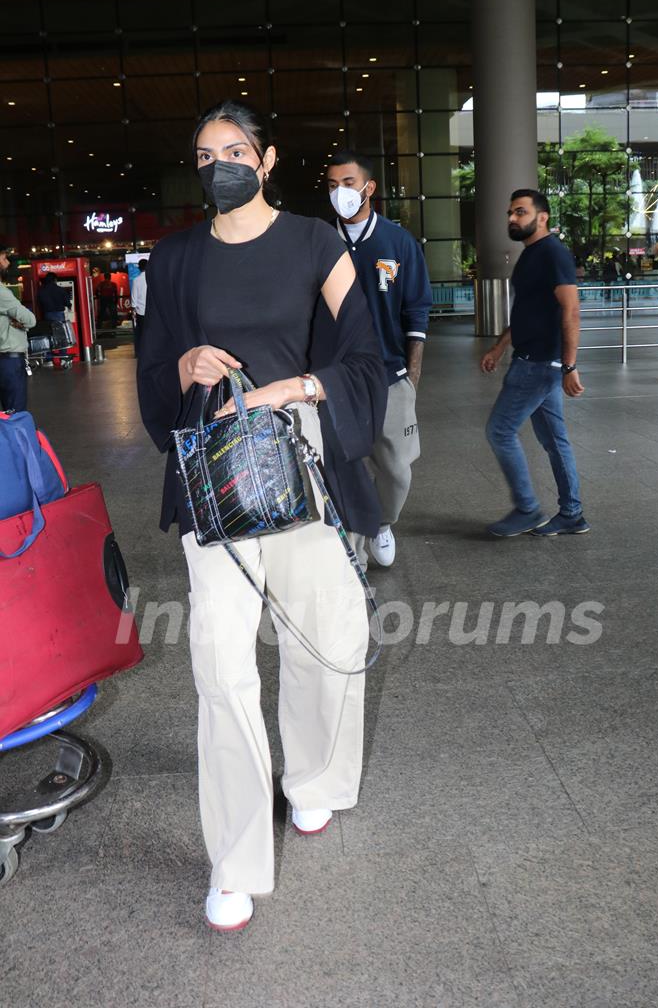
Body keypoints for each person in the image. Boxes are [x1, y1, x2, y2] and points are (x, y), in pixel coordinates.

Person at [137, 102, 386, 933]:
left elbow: (364, 354)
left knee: (327, 639)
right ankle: (236, 857)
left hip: (303, 469)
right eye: (205, 156)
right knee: (221, 667)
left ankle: (311, 777)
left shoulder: (318, 242)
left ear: (268, 157)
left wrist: (304, 386)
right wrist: (182, 363)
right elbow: (150, 373)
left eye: (234, 151)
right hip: (218, 483)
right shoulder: (173, 261)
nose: (220, 167)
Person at [326, 151, 432, 568]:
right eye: (333, 185)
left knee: (397, 470)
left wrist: (413, 378)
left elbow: (416, 312)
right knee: (345, 465)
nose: (340, 193)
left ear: (369, 188)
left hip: (391, 375)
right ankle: (356, 539)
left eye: (348, 183)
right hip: (338, 378)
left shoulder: (399, 242)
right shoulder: (320, 241)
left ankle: (383, 521)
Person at [481, 189, 589, 538]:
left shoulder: (553, 253)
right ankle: (572, 514)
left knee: (499, 430)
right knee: (555, 441)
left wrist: (569, 365)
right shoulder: (530, 255)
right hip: (534, 360)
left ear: (542, 217)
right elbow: (528, 312)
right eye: (511, 212)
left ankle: (527, 509)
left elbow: (571, 309)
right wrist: (499, 348)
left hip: (539, 364)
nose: (512, 218)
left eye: (521, 212)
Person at [0, 245, 36, 411]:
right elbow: (30, 320)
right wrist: (17, 319)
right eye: (4, 258)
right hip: (8, 360)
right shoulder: (2, 293)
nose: (7, 263)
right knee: (15, 412)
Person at [37, 272, 71, 367]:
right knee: (61, 338)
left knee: (48, 338)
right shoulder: (60, 290)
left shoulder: (41, 291)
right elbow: (67, 302)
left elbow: (39, 303)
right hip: (59, 315)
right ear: (55, 280)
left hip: (47, 315)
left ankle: (49, 360)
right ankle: (63, 358)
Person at [130, 258, 147, 357]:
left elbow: (134, 298)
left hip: (141, 312)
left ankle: (141, 353)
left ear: (139, 268)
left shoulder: (136, 280)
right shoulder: (153, 279)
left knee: (141, 333)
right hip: (153, 312)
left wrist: (133, 311)